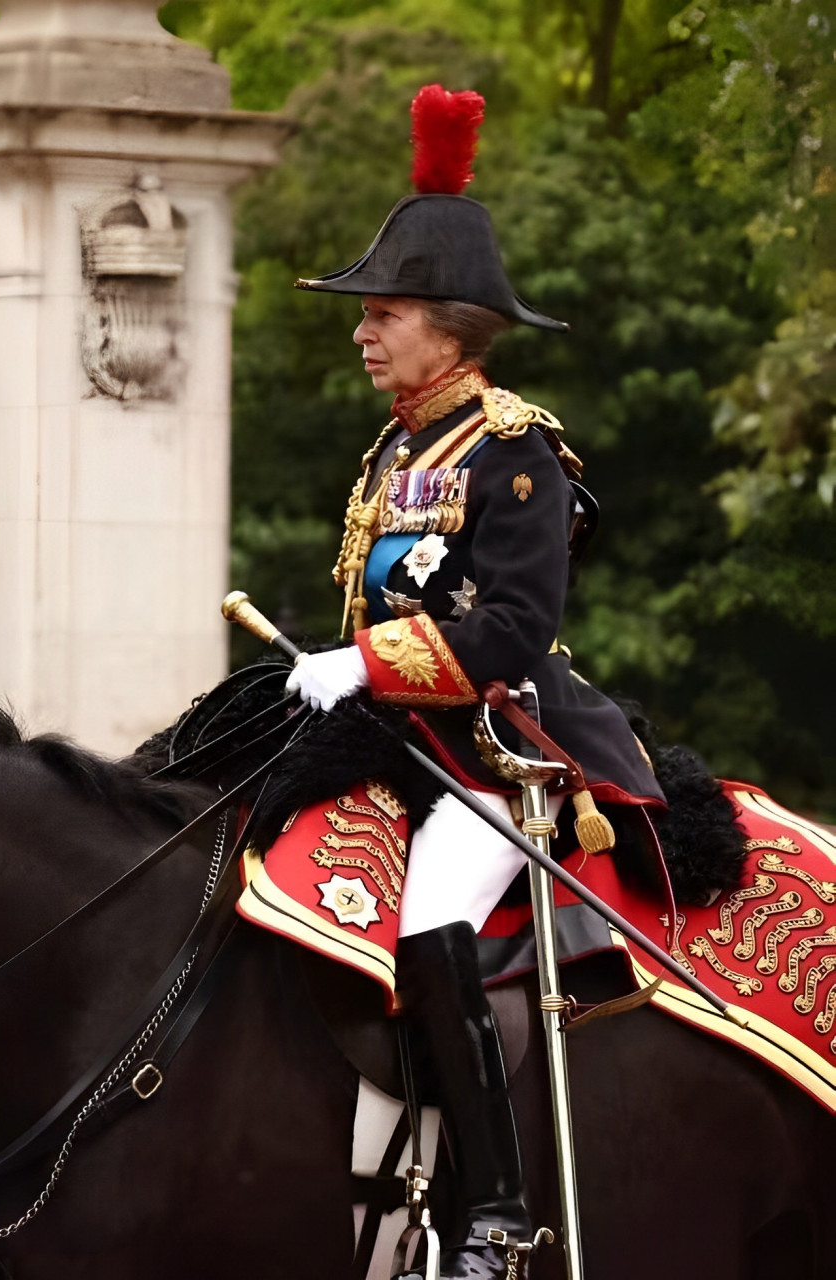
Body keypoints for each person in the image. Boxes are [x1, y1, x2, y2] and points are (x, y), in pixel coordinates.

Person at [284, 85, 665, 1280]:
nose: (363, 332)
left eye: (382, 312)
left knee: (430, 916)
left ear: (448, 326)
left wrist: (363, 661)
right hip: (395, 739)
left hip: (495, 747)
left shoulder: (512, 452)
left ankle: (494, 1214)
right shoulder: (396, 444)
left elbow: (508, 629)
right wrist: (328, 669)